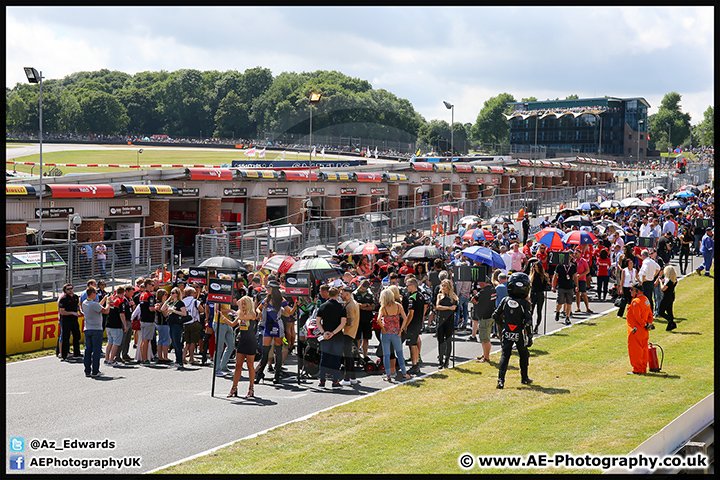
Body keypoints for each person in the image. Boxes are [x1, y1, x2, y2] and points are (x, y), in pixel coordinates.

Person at [492, 272, 533, 389]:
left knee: (505, 355)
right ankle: (524, 378)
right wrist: (529, 337)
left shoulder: (505, 300)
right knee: (523, 355)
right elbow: (528, 321)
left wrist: (503, 325)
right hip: (520, 333)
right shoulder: (525, 303)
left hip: (507, 332)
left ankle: (500, 381)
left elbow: (495, 315)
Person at [254, 280, 291, 384]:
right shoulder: (267, 298)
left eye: (268, 288)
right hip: (268, 325)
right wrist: (259, 312)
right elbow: (258, 308)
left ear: (273, 289)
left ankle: (277, 374)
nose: (267, 290)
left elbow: (289, 311)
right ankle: (260, 374)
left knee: (278, 351)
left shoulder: (281, 299)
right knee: (265, 351)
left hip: (277, 325)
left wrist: (295, 307)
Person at [315, 286, 347, 389]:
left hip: (325, 336)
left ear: (328, 294)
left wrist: (324, 332)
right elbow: (343, 324)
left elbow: (318, 322)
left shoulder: (323, 306)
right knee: (336, 359)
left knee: (324, 358)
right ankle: (335, 381)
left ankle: (322, 381)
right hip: (337, 336)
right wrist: (333, 333)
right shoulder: (341, 307)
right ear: (337, 295)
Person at [378, 287, 411, 381]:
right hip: (396, 333)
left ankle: (388, 375)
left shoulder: (383, 308)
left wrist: (383, 328)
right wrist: (401, 330)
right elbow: (405, 318)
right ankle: (404, 373)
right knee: (400, 354)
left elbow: (378, 320)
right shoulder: (398, 306)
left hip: (386, 334)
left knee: (386, 355)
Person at [228, 296, 258, 398]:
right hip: (242, 341)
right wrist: (222, 317)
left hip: (251, 342)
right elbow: (233, 323)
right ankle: (234, 387)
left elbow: (240, 318)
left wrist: (238, 307)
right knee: (238, 365)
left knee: (250, 365)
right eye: (242, 304)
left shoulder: (252, 314)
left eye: (245, 304)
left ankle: (251, 388)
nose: (243, 306)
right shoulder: (241, 314)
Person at [625, 282, 654, 375]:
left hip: (636, 329)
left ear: (637, 291)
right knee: (644, 349)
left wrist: (643, 324)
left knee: (636, 350)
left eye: (632, 290)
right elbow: (650, 314)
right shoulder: (646, 299)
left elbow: (637, 317)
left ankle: (637, 369)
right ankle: (643, 368)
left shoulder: (635, 301)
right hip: (644, 330)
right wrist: (648, 324)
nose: (630, 291)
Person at [82, 286, 109, 377]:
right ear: (92, 293)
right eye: (96, 293)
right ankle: (95, 370)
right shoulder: (94, 304)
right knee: (96, 350)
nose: (96, 295)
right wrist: (108, 302)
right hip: (96, 329)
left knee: (88, 350)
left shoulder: (85, 303)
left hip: (87, 329)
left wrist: (104, 299)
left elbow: (98, 307)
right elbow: (105, 310)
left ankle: (87, 370)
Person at [403, 277, 427, 375]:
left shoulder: (412, 297)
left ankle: (414, 365)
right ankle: (416, 364)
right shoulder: (421, 295)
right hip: (418, 323)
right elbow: (425, 307)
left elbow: (410, 314)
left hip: (413, 324)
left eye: (407, 285)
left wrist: (405, 325)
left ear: (413, 286)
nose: (406, 287)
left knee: (412, 345)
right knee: (415, 344)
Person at [471, 278, 496, 363]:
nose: (478, 283)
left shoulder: (483, 291)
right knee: (485, 336)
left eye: (479, 282)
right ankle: (485, 354)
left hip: (485, 317)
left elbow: (473, 300)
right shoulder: (493, 289)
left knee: (485, 339)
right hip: (491, 315)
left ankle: (486, 357)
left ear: (484, 282)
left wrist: (477, 300)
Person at [435, 279, 458, 370]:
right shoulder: (439, 295)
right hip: (440, 320)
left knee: (448, 341)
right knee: (440, 341)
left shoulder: (453, 296)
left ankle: (447, 361)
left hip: (449, 321)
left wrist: (453, 305)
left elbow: (455, 308)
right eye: (442, 285)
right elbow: (437, 307)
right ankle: (440, 360)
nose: (443, 287)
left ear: (448, 286)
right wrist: (449, 307)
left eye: (445, 285)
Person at [340, 286, 360, 386]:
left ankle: (347, 378)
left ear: (347, 294)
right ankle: (352, 378)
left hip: (348, 333)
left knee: (347, 357)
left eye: (342, 293)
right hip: (351, 333)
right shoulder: (353, 303)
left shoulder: (350, 306)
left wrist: (340, 324)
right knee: (349, 356)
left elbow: (350, 322)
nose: (340, 295)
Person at [103, 286, 128, 367]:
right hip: (116, 325)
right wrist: (125, 325)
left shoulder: (110, 299)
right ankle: (111, 360)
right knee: (116, 343)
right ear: (123, 293)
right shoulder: (121, 301)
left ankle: (107, 359)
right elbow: (122, 315)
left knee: (110, 342)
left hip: (108, 323)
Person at [164, 287, 188, 368]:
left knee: (177, 343)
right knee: (173, 343)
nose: (171, 294)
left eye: (173, 293)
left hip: (177, 325)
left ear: (177, 294)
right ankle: (177, 360)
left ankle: (180, 361)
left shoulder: (180, 303)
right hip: (171, 324)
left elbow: (184, 313)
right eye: (170, 293)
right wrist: (168, 299)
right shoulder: (171, 303)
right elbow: (162, 308)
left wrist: (174, 311)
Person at [58, 283, 83, 361]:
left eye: (71, 288)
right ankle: (64, 355)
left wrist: (80, 311)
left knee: (77, 336)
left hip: (74, 319)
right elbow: (62, 312)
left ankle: (77, 353)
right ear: (65, 290)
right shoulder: (64, 299)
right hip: (66, 320)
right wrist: (72, 313)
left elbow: (77, 306)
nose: (70, 290)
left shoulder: (75, 297)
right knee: (66, 337)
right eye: (68, 289)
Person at [353, 279, 376, 361]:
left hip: (367, 319)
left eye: (363, 289)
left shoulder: (370, 295)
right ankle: (357, 355)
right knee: (358, 338)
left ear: (367, 288)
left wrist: (363, 307)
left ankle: (365, 356)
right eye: (360, 288)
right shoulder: (355, 294)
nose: (361, 290)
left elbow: (373, 307)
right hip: (357, 319)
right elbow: (356, 305)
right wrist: (366, 305)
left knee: (366, 338)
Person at [138, 279, 157, 365]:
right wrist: (157, 307)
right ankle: (145, 359)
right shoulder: (150, 295)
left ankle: (143, 358)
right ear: (148, 285)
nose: (153, 287)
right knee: (146, 340)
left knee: (143, 340)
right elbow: (151, 308)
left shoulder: (142, 294)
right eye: (152, 285)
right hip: (148, 320)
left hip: (143, 319)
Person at [182, 286, 203, 365]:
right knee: (193, 341)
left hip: (186, 322)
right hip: (194, 322)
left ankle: (183, 357)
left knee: (187, 341)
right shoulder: (195, 301)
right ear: (192, 293)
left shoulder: (183, 301)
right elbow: (201, 310)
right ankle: (191, 357)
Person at [529, 261, 549, 334]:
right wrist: (533, 273)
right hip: (533, 294)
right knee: (530, 311)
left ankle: (536, 327)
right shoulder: (532, 275)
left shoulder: (543, 275)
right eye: (534, 267)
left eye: (536, 268)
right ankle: (530, 326)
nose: (535, 269)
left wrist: (547, 280)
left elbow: (545, 286)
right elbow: (530, 281)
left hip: (540, 294)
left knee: (539, 311)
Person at [573, 249, 593, 314]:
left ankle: (587, 307)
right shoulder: (574, 261)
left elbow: (587, 270)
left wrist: (581, 275)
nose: (575, 255)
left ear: (579, 253)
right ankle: (578, 307)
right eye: (574, 254)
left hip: (582, 279)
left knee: (584, 293)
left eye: (576, 253)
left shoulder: (583, 261)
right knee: (577, 293)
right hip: (576, 279)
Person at [658, 265, 677, 331]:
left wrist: (660, 282)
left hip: (666, 297)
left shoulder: (668, 281)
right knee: (669, 311)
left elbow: (663, 288)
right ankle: (670, 325)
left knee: (660, 312)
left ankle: (671, 321)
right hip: (671, 296)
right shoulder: (674, 280)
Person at [154, 289, 171, 363]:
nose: (166, 296)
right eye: (165, 294)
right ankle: (165, 357)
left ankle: (160, 357)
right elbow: (165, 315)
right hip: (164, 323)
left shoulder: (157, 304)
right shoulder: (163, 304)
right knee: (166, 340)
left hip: (158, 323)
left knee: (160, 340)